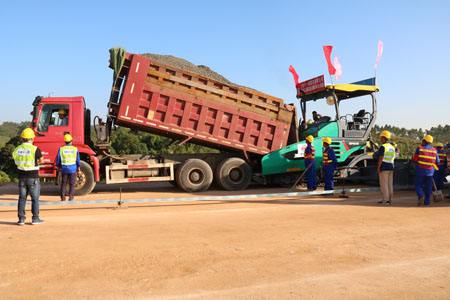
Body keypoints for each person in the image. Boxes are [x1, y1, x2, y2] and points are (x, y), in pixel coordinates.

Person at [12, 128, 44, 225]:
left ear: (22, 138)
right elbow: (41, 160)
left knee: (22, 198)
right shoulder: (35, 149)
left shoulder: (17, 149)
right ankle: (35, 218)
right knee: (35, 199)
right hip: (33, 176)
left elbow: (15, 161)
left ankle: (21, 219)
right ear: (32, 138)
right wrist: (37, 163)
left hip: (21, 177)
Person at [412, 135, 440, 206]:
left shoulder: (419, 148)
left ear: (425, 141)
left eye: (422, 140)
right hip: (430, 171)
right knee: (428, 187)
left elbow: (414, 159)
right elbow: (438, 161)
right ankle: (427, 202)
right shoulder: (434, 150)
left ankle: (421, 195)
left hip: (420, 170)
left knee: (418, 185)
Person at [55, 133, 80, 201]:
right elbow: (77, 160)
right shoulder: (75, 149)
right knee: (72, 184)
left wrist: (58, 166)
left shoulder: (61, 149)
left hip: (64, 169)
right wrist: (78, 167)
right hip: (72, 169)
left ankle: (63, 197)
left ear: (65, 141)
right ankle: (71, 197)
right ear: (71, 141)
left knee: (64, 183)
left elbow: (58, 159)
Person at [374, 130, 396, 205]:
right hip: (391, 166)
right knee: (390, 184)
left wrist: (378, 167)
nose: (380, 139)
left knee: (384, 184)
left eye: (381, 137)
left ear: (384, 138)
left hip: (384, 166)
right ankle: (390, 200)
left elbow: (381, 157)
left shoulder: (383, 147)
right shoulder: (392, 147)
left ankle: (385, 200)